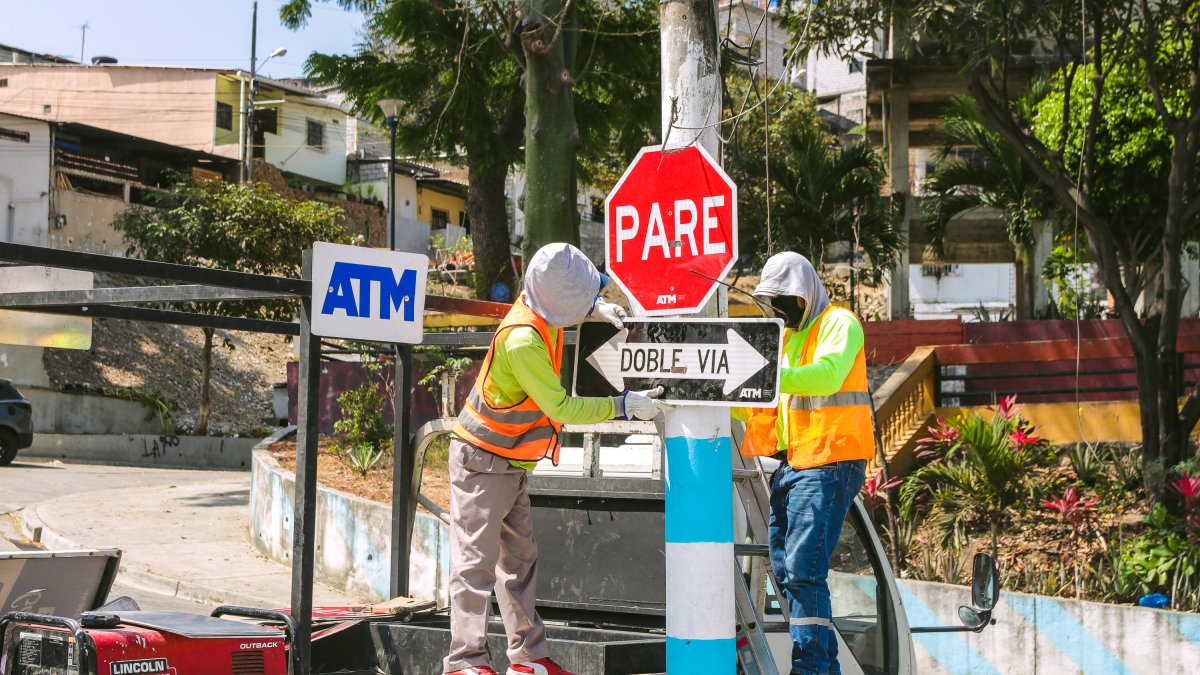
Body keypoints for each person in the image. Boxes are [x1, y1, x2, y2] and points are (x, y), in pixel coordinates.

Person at [445, 243, 665, 675]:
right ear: (559, 300)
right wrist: (622, 407)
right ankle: (464, 663)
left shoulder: (543, 313)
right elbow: (563, 408)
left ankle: (527, 658)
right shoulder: (523, 338)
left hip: (511, 463)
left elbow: (562, 303)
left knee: (519, 565)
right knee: (475, 566)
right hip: (482, 461)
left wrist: (595, 306)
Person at [738, 251, 875, 675]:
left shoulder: (839, 323)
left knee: (802, 567)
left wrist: (764, 373)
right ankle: (815, 662)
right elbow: (772, 404)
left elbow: (828, 375)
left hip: (831, 459)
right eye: (771, 302)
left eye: (784, 300)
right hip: (796, 462)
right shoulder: (790, 339)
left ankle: (814, 667)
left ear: (805, 293)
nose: (778, 310)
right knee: (784, 568)